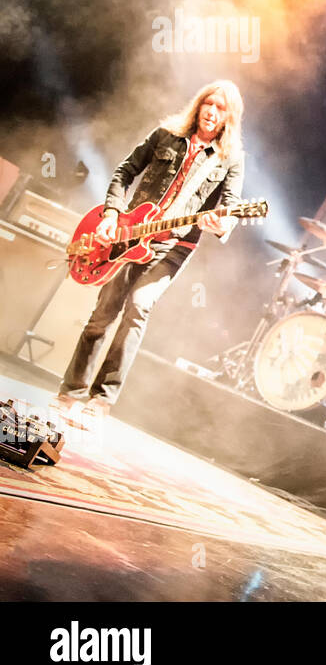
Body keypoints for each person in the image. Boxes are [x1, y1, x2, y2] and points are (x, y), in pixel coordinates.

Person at [55, 80, 246, 425]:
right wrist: (112, 214)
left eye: (221, 109)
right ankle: (71, 392)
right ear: (199, 105)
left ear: (229, 118)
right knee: (103, 315)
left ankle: (100, 402)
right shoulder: (166, 135)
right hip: (130, 234)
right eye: (209, 104)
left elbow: (230, 209)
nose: (212, 112)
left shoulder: (230, 159)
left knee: (138, 308)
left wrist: (222, 225)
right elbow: (123, 172)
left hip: (174, 246)